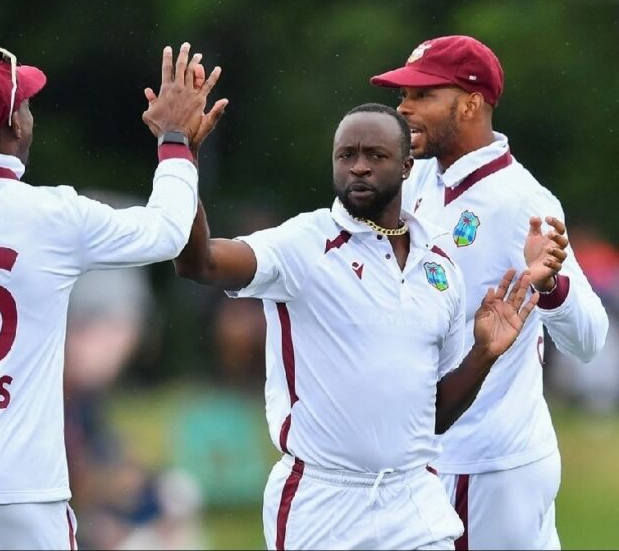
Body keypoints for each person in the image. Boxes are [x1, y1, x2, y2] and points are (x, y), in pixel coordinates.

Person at [0, 41, 224, 549]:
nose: (30, 117)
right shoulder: (56, 216)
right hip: (19, 490)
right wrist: (175, 143)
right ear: (14, 125)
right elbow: (166, 230)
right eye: (24, 105)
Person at [167, 100, 539, 550]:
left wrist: (483, 354)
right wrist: (181, 154)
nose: (358, 167)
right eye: (346, 156)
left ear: (406, 167)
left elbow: (431, 417)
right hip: (322, 503)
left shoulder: (439, 269)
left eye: (374, 156)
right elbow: (199, 264)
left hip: (414, 501)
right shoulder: (302, 246)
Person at [370, 34, 609, 550]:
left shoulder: (523, 201)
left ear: (472, 103)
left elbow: (591, 339)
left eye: (422, 95)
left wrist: (550, 286)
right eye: (403, 95)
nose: (403, 108)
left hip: (489, 465)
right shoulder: (415, 182)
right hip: (430, 455)